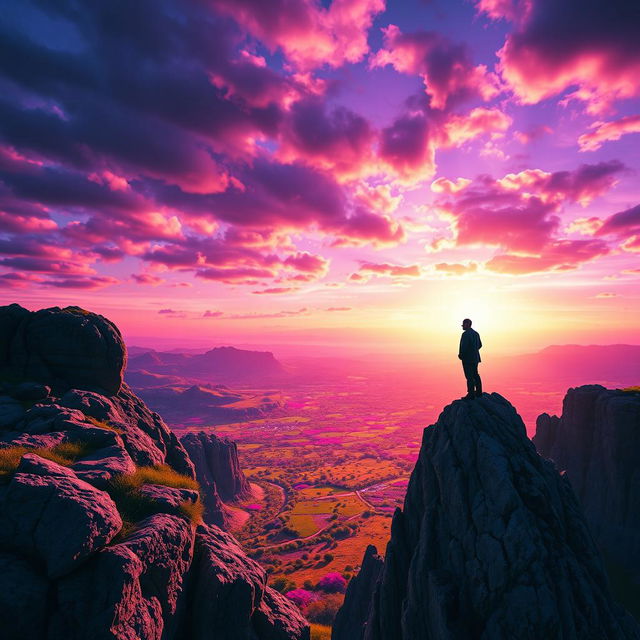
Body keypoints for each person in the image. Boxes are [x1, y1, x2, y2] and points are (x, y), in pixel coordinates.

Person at [458, 318, 482, 400]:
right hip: (475, 358)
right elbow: (480, 345)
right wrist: (474, 351)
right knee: (475, 374)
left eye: (463, 324)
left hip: (467, 359)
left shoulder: (465, 334)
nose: (462, 326)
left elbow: (464, 347)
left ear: (467, 324)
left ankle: (471, 394)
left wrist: (461, 355)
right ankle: (479, 392)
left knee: (469, 376)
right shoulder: (476, 333)